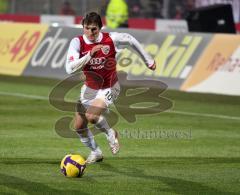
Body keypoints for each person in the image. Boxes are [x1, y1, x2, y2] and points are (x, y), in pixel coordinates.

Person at [65, 12, 156, 164]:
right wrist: (89, 56)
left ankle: (111, 133)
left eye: (94, 29)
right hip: (89, 89)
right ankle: (96, 152)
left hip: (110, 87)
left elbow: (129, 39)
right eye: (87, 28)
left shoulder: (111, 39)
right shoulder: (77, 42)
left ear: (100, 28)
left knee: (92, 116)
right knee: (79, 126)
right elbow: (69, 69)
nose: (90, 32)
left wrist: (148, 60)